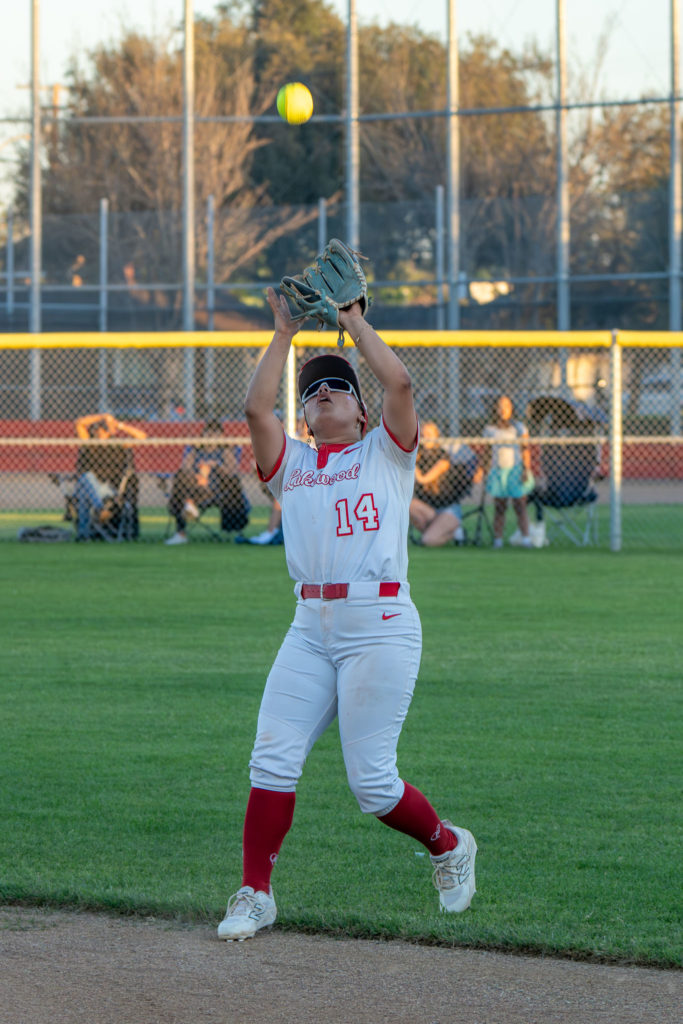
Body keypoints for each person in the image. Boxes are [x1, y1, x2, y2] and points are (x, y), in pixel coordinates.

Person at [216, 285, 477, 942]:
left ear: (363, 413)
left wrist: (351, 322)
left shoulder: (386, 453)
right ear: (303, 419)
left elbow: (401, 381)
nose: (321, 393)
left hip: (379, 628)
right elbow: (254, 406)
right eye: (311, 392)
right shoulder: (293, 466)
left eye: (336, 387)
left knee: (373, 786)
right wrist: (283, 332)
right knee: (270, 759)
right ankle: (255, 892)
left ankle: (448, 846)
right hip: (308, 629)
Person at [165, 420, 250, 545]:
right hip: (193, 487)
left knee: (185, 490)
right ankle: (184, 523)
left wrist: (215, 466)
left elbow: (233, 473)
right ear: (203, 434)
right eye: (208, 432)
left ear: (221, 436)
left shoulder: (225, 451)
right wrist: (198, 475)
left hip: (215, 490)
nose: (211, 436)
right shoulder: (195, 451)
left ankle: (189, 507)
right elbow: (185, 469)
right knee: (181, 477)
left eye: (215, 433)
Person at [73, 412, 146, 541]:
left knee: (84, 488)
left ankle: (83, 535)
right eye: (98, 429)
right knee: (87, 478)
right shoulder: (89, 443)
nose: (101, 432)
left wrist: (119, 425)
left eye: (104, 430)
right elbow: (79, 423)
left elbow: (142, 437)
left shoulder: (117, 444)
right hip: (93, 490)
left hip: (109, 489)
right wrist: (103, 416)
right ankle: (101, 509)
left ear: (110, 432)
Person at [409, 420, 478, 546]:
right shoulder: (419, 455)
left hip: (448, 509)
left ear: (437, 436)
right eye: (423, 435)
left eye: (430, 434)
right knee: (406, 503)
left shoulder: (443, 456)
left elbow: (424, 479)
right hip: (430, 510)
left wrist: (413, 466)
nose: (426, 438)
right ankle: (437, 529)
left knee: (427, 540)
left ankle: (455, 531)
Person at [482, 395, 534, 548]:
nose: (503, 410)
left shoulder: (518, 427)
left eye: (507, 406)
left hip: (516, 469)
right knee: (500, 507)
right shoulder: (490, 429)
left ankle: (526, 538)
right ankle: (498, 539)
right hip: (498, 470)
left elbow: (525, 450)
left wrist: (526, 469)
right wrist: (484, 470)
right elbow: (487, 452)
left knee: (520, 505)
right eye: (500, 406)